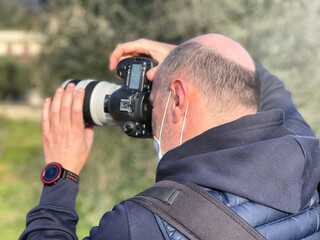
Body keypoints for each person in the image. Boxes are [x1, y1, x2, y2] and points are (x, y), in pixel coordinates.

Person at [20, 34, 320, 239]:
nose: (150, 111)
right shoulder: (304, 150)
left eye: (153, 99)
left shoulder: (141, 225)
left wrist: (60, 175)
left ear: (177, 98)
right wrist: (193, 59)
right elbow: (267, 85)